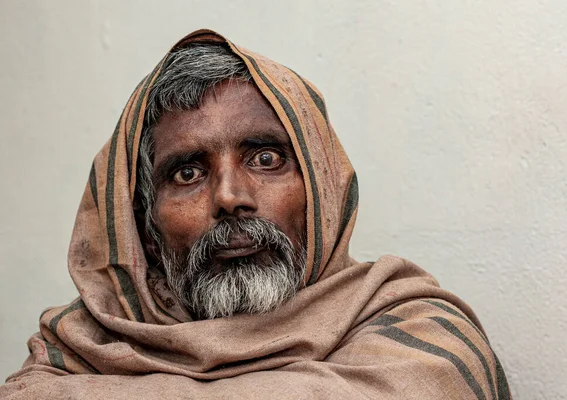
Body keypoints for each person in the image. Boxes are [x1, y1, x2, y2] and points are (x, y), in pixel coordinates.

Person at [0, 29, 510, 399]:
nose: (229, 196)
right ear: (146, 227)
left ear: (322, 195)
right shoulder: (80, 351)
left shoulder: (422, 335)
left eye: (266, 159)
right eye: (187, 173)